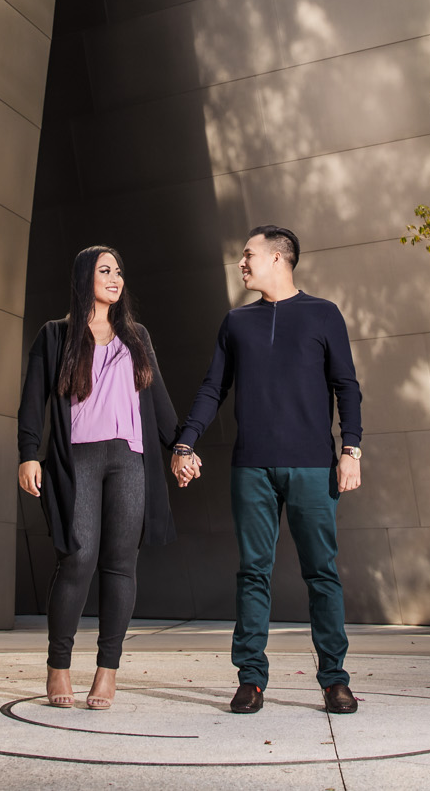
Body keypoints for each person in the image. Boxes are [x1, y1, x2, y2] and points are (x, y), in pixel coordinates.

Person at [169, 225, 363, 716]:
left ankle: (334, 681)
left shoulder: (324, 314)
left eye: (248, 254)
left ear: (279, 258)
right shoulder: (236, 323)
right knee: (253, 572)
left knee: (321, 573)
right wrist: (185, 439)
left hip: (314, 467)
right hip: (251, 468)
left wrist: (351, 451)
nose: (242, 262)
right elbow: (213, 388)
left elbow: (347, 386)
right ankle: (251, 679)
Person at [17, 245, 180, 710]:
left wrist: (181, 447)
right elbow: (32, 401)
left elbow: (160, 401)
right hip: (77, 460)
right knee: (76, 558)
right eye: (105, 270)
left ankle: (107, 671)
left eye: (119, 271)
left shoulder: (136, 337)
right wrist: (29, 454)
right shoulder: (55, 335)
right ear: (84, 275)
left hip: (129, 459)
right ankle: (59, 666)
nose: (115, 278)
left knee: (120, 564)